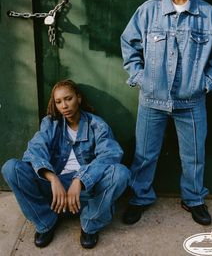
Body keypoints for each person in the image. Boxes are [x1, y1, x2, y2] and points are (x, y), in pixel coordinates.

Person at [121, 0, 212, 226]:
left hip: (191, 101)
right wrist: (139, 77)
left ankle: (193, 199)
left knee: (194, 155)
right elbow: (129, 45)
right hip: (152, 100)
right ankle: (139, 197)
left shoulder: (209, 15)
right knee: (145, 153)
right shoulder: (148, 12)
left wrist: (205, 83)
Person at [1, 79, 130, 249]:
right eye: (59, 101)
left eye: (68, 99)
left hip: (85, 191)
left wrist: (80, 180)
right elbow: (34, 151)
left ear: (78, 98)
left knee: (120, 173)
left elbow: (110, 155)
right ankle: (46, 221)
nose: (64, 106)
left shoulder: (97, 125)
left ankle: (89, 223)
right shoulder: (50, 123)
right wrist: (52, 178)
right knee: (11, 168)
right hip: (56, 192)